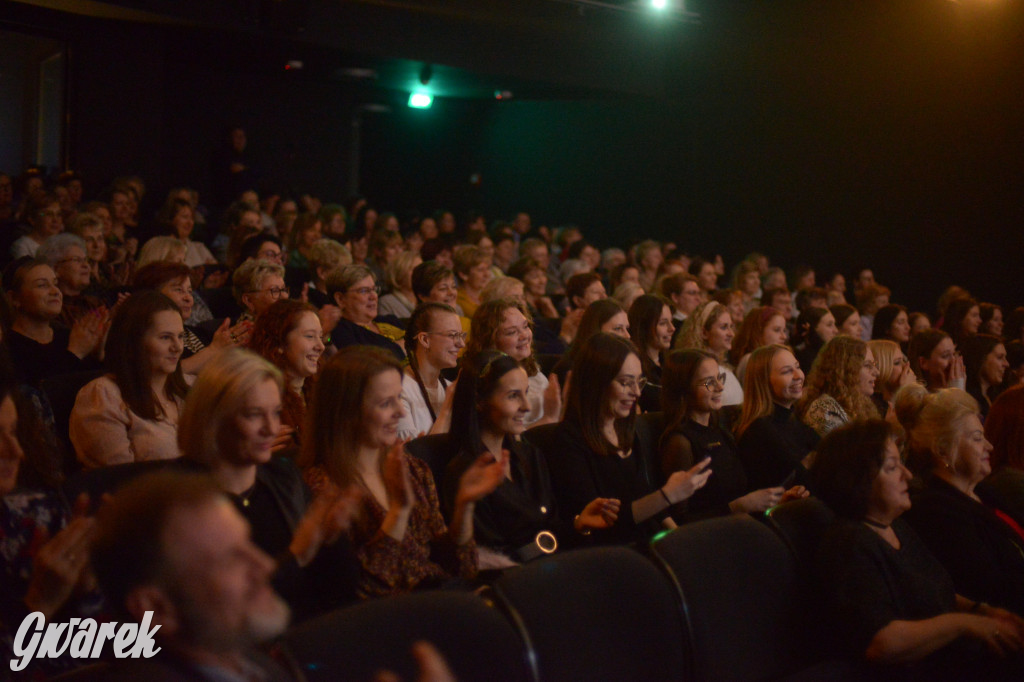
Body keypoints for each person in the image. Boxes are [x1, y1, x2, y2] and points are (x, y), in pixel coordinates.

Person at [812, 419, 1024, 679]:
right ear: (857, 481)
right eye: (892, 467)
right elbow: (881, 643)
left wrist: (981, 611)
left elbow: (932, 589)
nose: (908, 475)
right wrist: (965, 624)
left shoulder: (895, 526)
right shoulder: (848, 543)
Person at [301, 346, 503, 598]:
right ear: (347, 410)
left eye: (400, 398)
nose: (401, 412)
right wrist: (398, 512)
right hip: (391, 622)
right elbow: (361, 592)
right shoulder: (321, 486)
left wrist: (464, 509)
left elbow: (461, 568)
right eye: (387, 403)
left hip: (441, 601)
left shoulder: (413, 468)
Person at [177, 348, 361, 621]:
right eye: (253, 414)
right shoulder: (179, 496)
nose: (271, 428)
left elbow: (340, 589)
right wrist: (296, 556)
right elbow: (215, 609)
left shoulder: (284, 476)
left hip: (303, 636)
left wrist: (333, 540)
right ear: (214, 418)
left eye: (275, 413)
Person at [89, 472, 301, 680]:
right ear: (156, 607)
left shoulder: (255, 664)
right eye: (229, 559)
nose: (266, 565)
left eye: (248, 542)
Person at [442, 351, 618, 566]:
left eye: (525, 393)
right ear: (480, 401)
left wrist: (579, 523)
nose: (526, 406)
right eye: (513, 396)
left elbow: (550, 530)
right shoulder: (464, 472)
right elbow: (488, 559)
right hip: (513, 584)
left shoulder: (529, 455)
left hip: (551, 567)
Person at [541, 333, 712, 546]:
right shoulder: (567, 442)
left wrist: (679, 538)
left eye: (639, 382)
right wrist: (668, 495)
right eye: (625, 383)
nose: (636, 392)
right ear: (596, 383)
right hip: (612, 554)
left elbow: (648, 501)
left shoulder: (626, 429)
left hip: (650, 543)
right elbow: (602, 523)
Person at [894, 386, 1024, 615]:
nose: (989, 446)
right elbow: (992, 591)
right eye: (977, 438)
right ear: (943, 450)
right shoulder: (937, 513)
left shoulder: (985, 491)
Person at [660, 349, 804, 521]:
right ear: (684, 389)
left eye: (720, 378)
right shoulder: (680, 442)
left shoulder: (720, 431)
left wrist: (775, 501)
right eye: (709, 382)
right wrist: (738, 507)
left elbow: (741, 494)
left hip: (740, 526)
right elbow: (679, 522)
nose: (720, 387)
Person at [70, 291, 188, 468]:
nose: (178, 347)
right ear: (134, 342)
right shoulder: (103, 396)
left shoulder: (190, 387)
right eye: (165, 337)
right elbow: (120, 480)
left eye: (180, 336)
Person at [132, 260, 249, 374]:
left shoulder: (201, 333)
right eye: (179, 290)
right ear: (152, 295)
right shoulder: (141, 336)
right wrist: (214, 349)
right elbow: (161, 375)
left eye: (189, 291)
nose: (188, 298)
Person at [2, 257, 104, 387]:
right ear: (14, 298)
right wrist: (75, 353)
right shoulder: (8, 347)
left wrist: (98, 354)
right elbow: (40, 395)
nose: (55, 292)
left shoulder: (68, 336)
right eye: (42, 285)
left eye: (55, 284)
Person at [735, 345, 820, 491]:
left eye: (797, 367)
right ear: (764, 382)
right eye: (787, 371)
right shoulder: (759, 429)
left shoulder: (793, 420)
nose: (798, 376)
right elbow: (804, 480)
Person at [465, 298, 561, 426]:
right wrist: (549, 418)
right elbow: (504, 437)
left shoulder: (532, 369)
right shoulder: (483, 381)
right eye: (512, 332)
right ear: (490, 340)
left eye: (525, 326)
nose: (524, 336)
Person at [248, 299, 325, 449]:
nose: (320, 346)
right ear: (280, 344)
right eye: (310, 336)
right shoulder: (258, 398)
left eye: (321, 337)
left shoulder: (319, 391)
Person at [397, 303, 464, 440]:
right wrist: (447, 409)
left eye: (461, 335)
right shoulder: (399, 390)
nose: (461, 344)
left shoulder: (449, 386)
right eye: (452, 335)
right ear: (425, 340)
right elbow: (413, 458)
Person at [797, 335, 879, 436]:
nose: (877, 372)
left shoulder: (861, 403)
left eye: (874, 365)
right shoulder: (824, 409)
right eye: (867, 365)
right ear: (846, 370)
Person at [326, 264, 405, 360]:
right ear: (340, 299)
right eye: (364, 291)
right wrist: (402, 347)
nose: (373, 296)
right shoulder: (341, 331)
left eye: (374, 289)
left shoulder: (391, 320)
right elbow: (364, 362)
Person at [673, 301, 743, 407]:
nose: (731, 334)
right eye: (724, 327)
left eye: (731, 327)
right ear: (704, 333)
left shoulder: (725, 368)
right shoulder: (697, 370)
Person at [627, 294, 675, 413]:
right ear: (644, 326)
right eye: (663, 323)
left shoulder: (670, 363)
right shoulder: (635, 368)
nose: (672, 328)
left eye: (671, 322)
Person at [729, 306, 787, 383]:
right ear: (758, 331)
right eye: (777, 330)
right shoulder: (750, 361)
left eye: (784, 330)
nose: (784, 336)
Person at [961, 334, 1010, 418]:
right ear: (981, 359)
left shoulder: (996, 397)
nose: (1006, 364)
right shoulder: (968, 401)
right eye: (999, 357)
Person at [867, 339, 916, 417]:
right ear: (881, 368)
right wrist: (905, 391)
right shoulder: (872, 408)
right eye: (897, 363)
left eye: (904, 360)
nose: (905, 367)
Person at [232, 258, 289, 324]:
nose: (284, 296)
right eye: (275, 291)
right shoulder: (246, 332)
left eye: (284, 289)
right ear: (248, 300)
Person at [10, 192, 63, 259]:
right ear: (32, 219)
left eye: (58, 214)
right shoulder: (23, 246)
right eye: (48, 214)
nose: (55, 220)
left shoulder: (62, 244)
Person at [792, 306, 838, 372]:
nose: (836, 330)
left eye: (835, 324)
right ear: (812, 329)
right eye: (829, 325)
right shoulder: (801, 357)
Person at [378, 251, 422, 319]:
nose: (420, 274)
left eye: (421, 270)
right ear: (400, 272)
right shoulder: (386, 303)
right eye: (414, 269)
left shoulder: (426, 300)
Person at [453, 245, 492, 319]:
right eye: (480, 270)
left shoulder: (488, 296)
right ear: (463, 274)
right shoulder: (457, 300)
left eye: (487, 269)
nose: (487, 274)